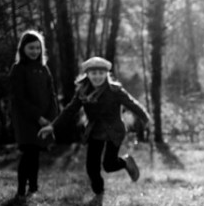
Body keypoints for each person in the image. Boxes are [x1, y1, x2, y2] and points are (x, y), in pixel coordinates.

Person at [39, 57, 150, 196]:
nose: (97, 76)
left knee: (109, 165)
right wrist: (52, 126)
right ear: (88, 74)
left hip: (114, 130)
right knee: (92, 167)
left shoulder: (115, 90)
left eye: (101, 73)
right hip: (95, 131)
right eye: (94, 73)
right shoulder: (82, 91)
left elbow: (132, 104)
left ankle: (126, 162)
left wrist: (145, 118)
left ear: (106, 74)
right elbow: (70, 110)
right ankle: (99, 192)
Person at [9, 30, 59, 197]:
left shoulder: (44, 69)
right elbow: (19, 98)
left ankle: (34, 187)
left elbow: (52, 94)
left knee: (36, 152)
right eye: (31, 48)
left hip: (45, 118)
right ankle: (21, 189)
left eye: (38, 48)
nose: (35, 51)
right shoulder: (18, 69)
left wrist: (52, 118)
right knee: (29, 152)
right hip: (27, 119)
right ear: (23, 48)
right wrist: (38, 117)